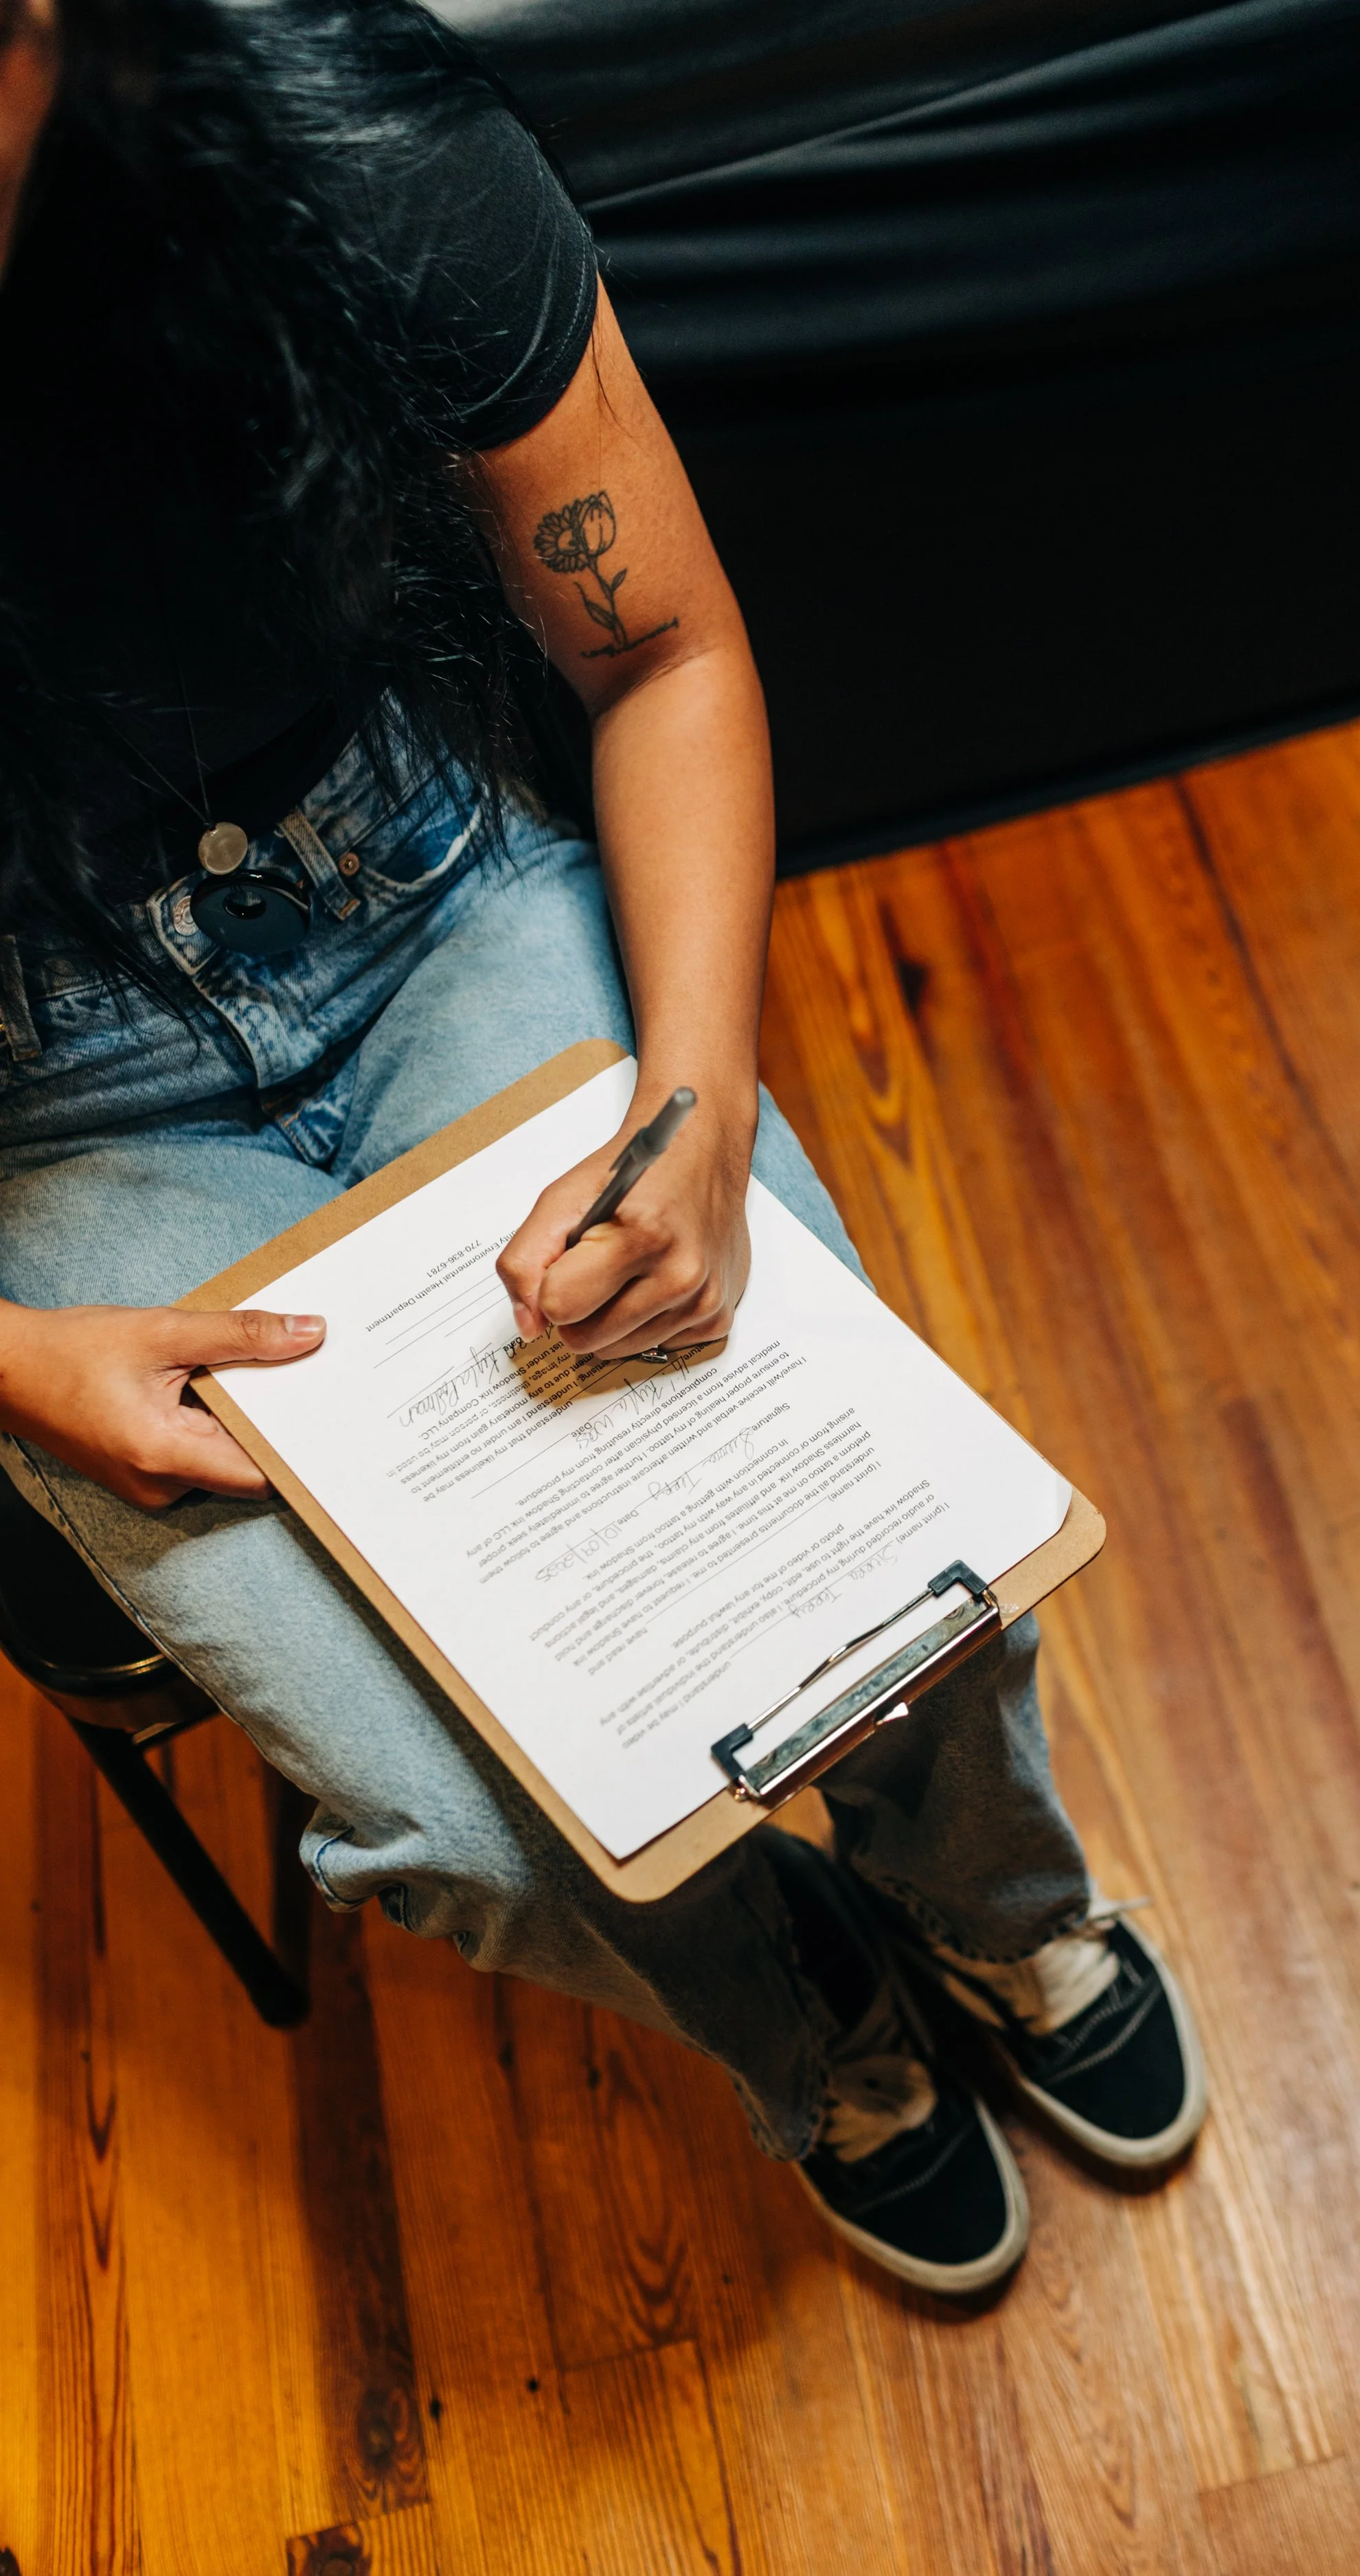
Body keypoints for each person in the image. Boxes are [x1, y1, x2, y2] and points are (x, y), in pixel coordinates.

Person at [0, 0, 1205, 2293]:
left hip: (416, 884)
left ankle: (997, 1906)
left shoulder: (332, 134)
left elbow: (659, 647)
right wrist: (14, 1361)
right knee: (487, 1824)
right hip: (40, 1121)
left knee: (872, 1568)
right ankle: (815, 2031)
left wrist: (699, 1099)